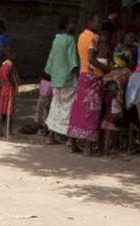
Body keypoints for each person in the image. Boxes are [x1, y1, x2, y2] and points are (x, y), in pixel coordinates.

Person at [68, 15, 108, 155]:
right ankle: (88, 148)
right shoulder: (93, 38)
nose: (99, 24)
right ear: (89, 22)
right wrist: (105, 69)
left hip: (83, 75)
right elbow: (91, 58)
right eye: (97, 22)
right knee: (92, 111)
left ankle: (73, 143)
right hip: (93, 77)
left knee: (78, 109)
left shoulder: (80, 36)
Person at [43, 16, 79, 145]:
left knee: (55, 108)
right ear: (65, 25)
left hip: (56, 79)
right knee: (69, 108)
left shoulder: (56, 40)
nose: (74, 26)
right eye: (72, 23)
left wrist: (49, 75)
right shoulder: (70, 40)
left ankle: (51, 136)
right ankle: (70, 138)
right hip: (68, 80)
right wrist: (78, 78)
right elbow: (73, 62)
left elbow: (51, 60)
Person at [0, 44, 20, 138]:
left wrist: (4, 82)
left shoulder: (2, 66)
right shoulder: (10, 65)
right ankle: (9, 132)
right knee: (9, 112)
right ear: (10, 55)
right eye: (13, 53)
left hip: (3, 90)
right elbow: (8, 73)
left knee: (1, 111)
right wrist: (11, 82)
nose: (15, 55)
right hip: (10, 90)